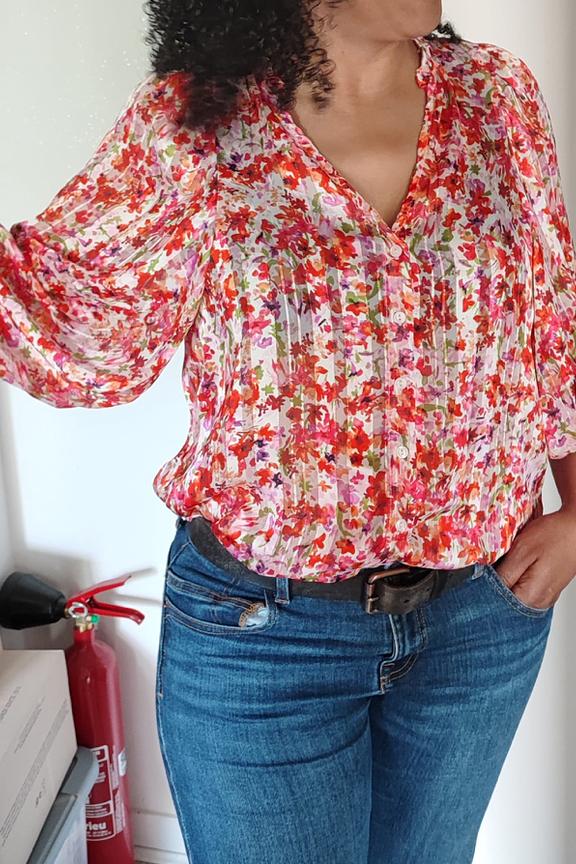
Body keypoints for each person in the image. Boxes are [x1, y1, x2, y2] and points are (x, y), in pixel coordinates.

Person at [1, 1, 576, 861]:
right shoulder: (196, 124)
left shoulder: (497, 96)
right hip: (265, 640)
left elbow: (555, 325)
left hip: (479, 622)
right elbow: (75, 324)